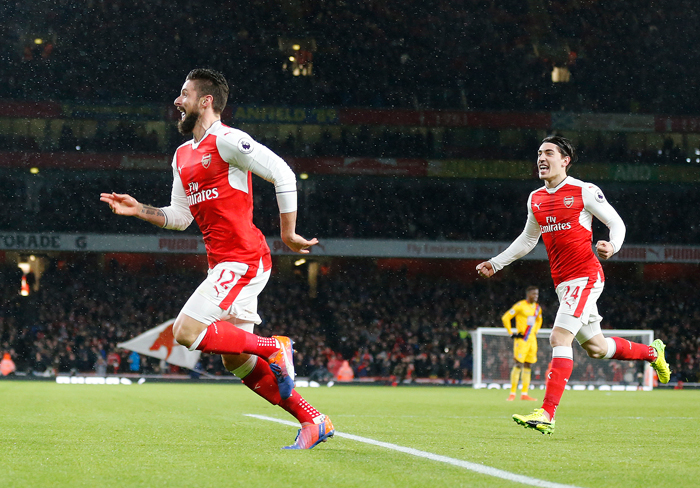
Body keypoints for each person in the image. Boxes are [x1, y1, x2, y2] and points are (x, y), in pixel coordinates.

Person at [100, 69, 334, 449]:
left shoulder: (228, 140)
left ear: (205, 101)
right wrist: (139, 209)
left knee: (186, 332)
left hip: (243, 258)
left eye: (184, 94)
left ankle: (275, 345)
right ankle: (313, 419)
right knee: (235, 360)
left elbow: (282, 172)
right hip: (224, 263)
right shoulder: (182, 155)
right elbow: (179, 216)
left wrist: (288, 233)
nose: (178, 101)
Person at [476, 135, 670, 435]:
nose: (541, 158)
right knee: (597, 347)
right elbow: (528, 239)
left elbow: (617, 223)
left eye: (549, 153)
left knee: (558, 337)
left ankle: (547, 413)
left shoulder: (585, 191)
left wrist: (613, 246)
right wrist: (495, 262)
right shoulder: (535, 198)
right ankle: (652, 354)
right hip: (563, 283)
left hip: (586, 276)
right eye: (539, 153)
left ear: (565, 160)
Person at [501, 286, 542, 402]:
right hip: (522, 340)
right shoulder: (520, 306)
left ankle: (524, 393)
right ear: (528, 295)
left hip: (532, 340)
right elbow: (505, 317)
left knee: (528, 365)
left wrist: (536, 331)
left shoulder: (538, 308)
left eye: (537, 294)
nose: (536, 296)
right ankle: (512, 393)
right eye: (534, 294)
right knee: (518, 364)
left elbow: (539, 320)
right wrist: (511, 333)